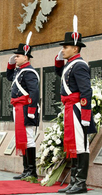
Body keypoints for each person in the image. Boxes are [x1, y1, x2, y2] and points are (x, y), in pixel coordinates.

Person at [55, 16, 96, 194]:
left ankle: (80, 182)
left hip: (78, 108)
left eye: (65, 47)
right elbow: (61, 74)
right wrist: (58, 59)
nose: (62, 50)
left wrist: (86, 115)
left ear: (75, 48)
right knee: (73, 144)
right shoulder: (70, 64)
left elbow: (86, 91)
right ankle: (74, 180)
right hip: (71, 108)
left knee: (81, 145)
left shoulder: (79, 65)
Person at [6, 32, 40, 180]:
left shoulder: (29, 72)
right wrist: (10, 64)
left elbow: (34, 92)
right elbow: (9, 77)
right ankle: (26, 169)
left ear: (26, 57)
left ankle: (32, 170)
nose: (16, 57)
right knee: (23, 137)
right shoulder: (19, 71)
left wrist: (32, 110)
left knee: (29, 137)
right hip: (19, 108)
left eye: (18, 56)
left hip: (26, 108)